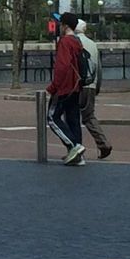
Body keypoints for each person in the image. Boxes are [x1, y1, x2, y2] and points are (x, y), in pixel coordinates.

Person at [47, 12, 86, 165]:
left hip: (64, 87)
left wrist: (53, 87)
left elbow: (62, 66)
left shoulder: (64, 42)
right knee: (73, 119)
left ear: (65, 25)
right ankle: (78, 156)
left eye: (60, 23)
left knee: (52, 118)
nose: (58, 25)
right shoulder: (77, 41)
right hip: (76, 86)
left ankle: (73, 146)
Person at [75, 20, 112, 160]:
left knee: (71, 117)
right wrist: (96, 86)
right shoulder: (92, 44)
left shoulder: (71, 41)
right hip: (90, 85)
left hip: (77, 85)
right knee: (89, 117)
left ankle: (75, 147)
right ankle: (103, 143)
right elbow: (99, 68)